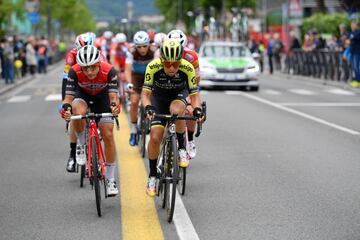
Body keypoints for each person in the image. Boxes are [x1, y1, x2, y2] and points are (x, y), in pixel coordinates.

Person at [141, 40, 204, 197]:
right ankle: (153, 175)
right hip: (158, 98)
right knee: (155, 137)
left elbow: (194, 96)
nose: (171, 68)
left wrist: (197, 110)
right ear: (161, 59)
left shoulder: (187, 68)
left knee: (177, 110)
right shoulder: (152, 67)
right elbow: (146, 95)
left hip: (178, 95)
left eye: (175, 64)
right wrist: (148, 107)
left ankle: (182, 148)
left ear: (180, 61)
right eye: (167, 64)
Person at [61, 45, 120, 196]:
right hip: (83, 95)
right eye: (85, 68)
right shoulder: (74, 71)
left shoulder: (109, 70)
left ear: (99, 64)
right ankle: (81, 143)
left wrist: (114, 107)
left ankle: (111, 178)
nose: (89, 72)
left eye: (93, 68)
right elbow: (68, 98)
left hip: (103, 98)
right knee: (77, 111)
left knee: (107, 135)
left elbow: (113, 98)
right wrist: (66, 109)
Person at [62, 32, 100, 172]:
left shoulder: (97, 54)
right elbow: (67, 81)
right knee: (74, 116)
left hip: (94, 86)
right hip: (76, 84)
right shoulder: (71, 57)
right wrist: (66, 103)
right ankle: (73, 154)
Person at [168, 29, 201, 159]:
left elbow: (196, 79)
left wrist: (189, 100)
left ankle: (190, 140)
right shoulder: (161, 54)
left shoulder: (191, 56)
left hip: (186, 85)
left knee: (190, 111)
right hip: (168, 85)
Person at [125, 31, 155, 146]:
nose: (142, 49)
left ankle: (149, 121)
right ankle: (133, 131)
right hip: (136, 77)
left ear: (149, 44)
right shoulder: (131, 51)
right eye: (139, 46)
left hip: (149, 77)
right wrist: (129, 83)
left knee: (150, 100)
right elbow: (127, 70)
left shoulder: (154, 51)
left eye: (144, 46)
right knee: (134, 101)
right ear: (135, 46)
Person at [349, 21, 360, 87]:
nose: (352, 26)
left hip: (357, 52)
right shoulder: (351, 33)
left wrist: (352, 36)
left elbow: (354, 37)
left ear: (356, 26)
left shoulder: (358, 32)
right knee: (354, 67)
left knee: (356, 67)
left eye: (353, 25)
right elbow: (350, 37)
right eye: (351, 25)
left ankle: (358, 81)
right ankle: (356, 80)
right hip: (352, 52)